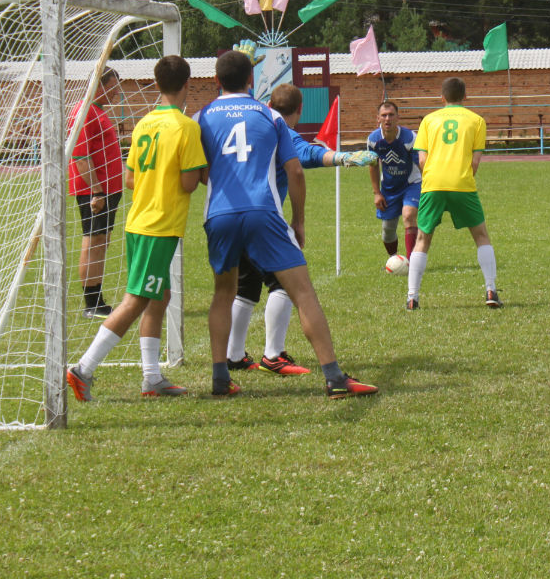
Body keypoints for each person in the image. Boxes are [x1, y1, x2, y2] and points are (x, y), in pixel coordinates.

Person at [198, 50, 377, 398]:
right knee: (302, 291)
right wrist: (298, 221)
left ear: (217, 81)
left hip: (219, 213)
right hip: (263, 211)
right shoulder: (271, 117)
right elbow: (295, 169)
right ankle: (334, 378)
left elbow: (198, 172)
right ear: (252, 80)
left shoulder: (201, 116)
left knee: (224, 294)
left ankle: (221, 378)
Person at [66, 56, 207, 401]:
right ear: (188, 84)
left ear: (156, 86)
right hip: (159, 224)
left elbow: (129, 178)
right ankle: (83, 368)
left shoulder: (144, 124)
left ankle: (152, 378)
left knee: (161, 296)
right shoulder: (186, 127)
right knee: (136, 300)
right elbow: (190, 183)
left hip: (138, 221)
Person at [406, 77, 500, 310]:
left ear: (442, 97)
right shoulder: (477, 121)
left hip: (433, 184)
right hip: (462, 184)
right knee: (481, 236)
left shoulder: (429, 120)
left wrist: (432, 178)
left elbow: (421, 159)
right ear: (465, 97)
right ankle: (490, 290)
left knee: (422, 239)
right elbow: (475, 161)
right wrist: (462, 178)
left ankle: (412, 297)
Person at [68, 68, 124, 319]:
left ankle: (98, 301)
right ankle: (92, 304)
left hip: (107, 190)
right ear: (100, 86)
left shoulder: (97, 111)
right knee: (93, 241)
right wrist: (97, 191)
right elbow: (80, 157)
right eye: (113, 88)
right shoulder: (86, 111)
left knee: (101, 241)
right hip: (95, 192)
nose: (116, 93)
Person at [367, 101, 421, 260]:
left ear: (398, 117)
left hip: (411, 183)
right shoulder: (373, 140)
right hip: (389, 188)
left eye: (391, 115)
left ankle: (412, 262)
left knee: (408, 215)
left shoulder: (409, 137)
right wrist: (377, 193)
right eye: (384, 115)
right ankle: (395, 260)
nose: (387, 119)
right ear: (378, 118)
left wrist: (430, 186)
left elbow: (421, 162)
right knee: (388, 230)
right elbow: (373, 166)